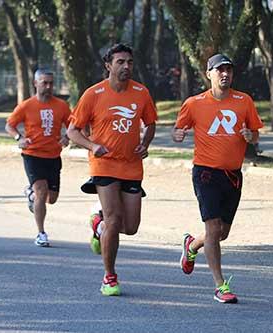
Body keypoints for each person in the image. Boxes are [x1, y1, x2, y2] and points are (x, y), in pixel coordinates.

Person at [67, 43, 157, 296]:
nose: (126, 66)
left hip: (131, 165)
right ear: (108, 65)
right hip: (103, 164)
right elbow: (72, 131)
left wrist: (145, 143)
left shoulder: (141, 93)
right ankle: (109, 277)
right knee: (114, 218)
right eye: (120, 62)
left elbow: (150, 123)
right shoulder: (93, 94)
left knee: (130, 227)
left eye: (129, 62)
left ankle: (98, 225)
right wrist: (92, 145)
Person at [173, 53, 263, 304]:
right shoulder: (194, 103)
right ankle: (220, 285)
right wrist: (178, 134)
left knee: (222, 233)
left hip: (233, 175)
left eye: (229, 70)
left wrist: (250, 136)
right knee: (213, 228)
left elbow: (255, 134)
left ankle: (192, 246)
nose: (225, 74)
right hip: (206, 172)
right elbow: (177, 129)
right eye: (219, 70)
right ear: (209, 73)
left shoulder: (244, 101)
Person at [5, 69, 71, 247]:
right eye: (44, 82)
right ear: (35, 83)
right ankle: (41, 233)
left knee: (52, 198)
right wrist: (19, 138)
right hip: (32, 155)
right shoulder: (26, 106)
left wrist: (67, 137)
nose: (48, 86)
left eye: (51, 83)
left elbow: (73, 125)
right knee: (42, 191)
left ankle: (31, 194)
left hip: (53, 156)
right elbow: (9, 125)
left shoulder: (61, 105)